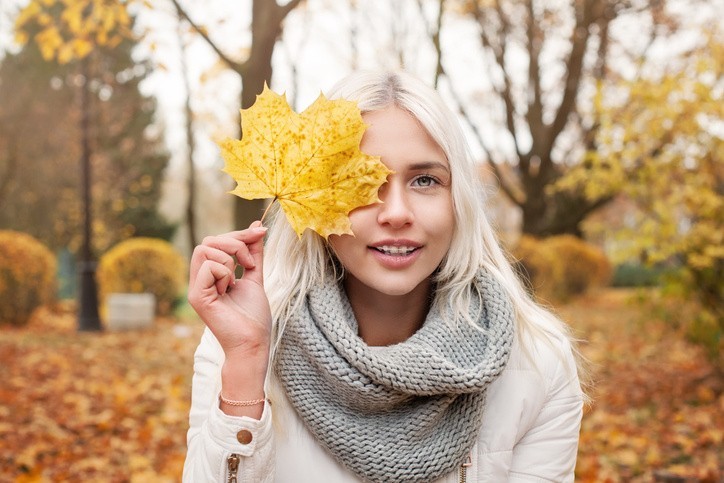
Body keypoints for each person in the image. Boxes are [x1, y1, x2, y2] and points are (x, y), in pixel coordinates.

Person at [183, 71, 585, 482]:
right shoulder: (238, 345)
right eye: (364, 182)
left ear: (458, 199)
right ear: (319, 203)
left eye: (425, 180)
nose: (396, 213)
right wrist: (247, 367)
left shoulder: (537, 362)